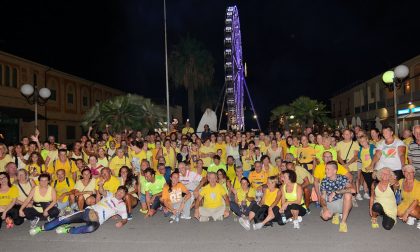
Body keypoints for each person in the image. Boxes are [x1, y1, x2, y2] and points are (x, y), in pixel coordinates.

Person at [29, 185, 128, 235]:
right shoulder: (110, 194)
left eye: (122, 193)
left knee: (91, 229)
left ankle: (67, 230)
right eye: (119, 191)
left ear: (124, 196)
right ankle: (41, 228)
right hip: (89, 211)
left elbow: (125, 219)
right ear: (116, 191)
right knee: (64, 219)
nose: (120, 193)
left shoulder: (122, 205)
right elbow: (102, 191)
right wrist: (101, 185)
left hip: (97, 220)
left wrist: (122, 223)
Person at [320, 161, 355, 233]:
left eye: (328, 169)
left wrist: (335, 192)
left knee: (348, 195)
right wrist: (325, 208)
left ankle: (343, 222)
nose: (326, 171)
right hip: (331, 203)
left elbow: (353, 190)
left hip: (343, 203)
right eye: (326, 169)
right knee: (325, 216)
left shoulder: (343, 178)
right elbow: (322, 198)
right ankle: (336, 214)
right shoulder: (324, 181)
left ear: (335, 171)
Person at [336, 129, 359, 204]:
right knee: (344, 182)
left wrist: (347, 164)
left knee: (353, 182)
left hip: (352, 166)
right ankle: (345, 197)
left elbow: (355, 156)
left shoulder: (355, 143)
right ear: (342, 135)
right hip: (342, 166)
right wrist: (343, 165)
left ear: (351, 134)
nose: (346, 135)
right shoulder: (339, 144)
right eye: (345, 134)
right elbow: (338, 156)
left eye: (348, 134)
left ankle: (353, 197)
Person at [357, 135, 375, 199]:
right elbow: (359, 159)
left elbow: (376, 158)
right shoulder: (360, 149)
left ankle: (374, 198)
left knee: (373, 185)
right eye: (361, 141)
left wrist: (372, 166)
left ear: (367, 140)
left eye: (364, 141)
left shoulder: (372, 148)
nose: (362, 142)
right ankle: (372, 198)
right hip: (364, 170)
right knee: (369, 184)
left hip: (373, 170)